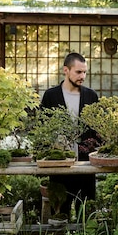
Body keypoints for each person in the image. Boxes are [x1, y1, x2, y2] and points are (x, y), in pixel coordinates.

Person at [41, 52, 99, 216]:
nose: (83, 76)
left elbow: (96, 131)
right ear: (66, 70)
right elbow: (42, 127)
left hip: (86, 163)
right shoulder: (51, 96)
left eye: (85, 72)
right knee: (59, 211)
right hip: (59, 162)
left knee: (87, 211)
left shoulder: (91, 96)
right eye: (78, 72)